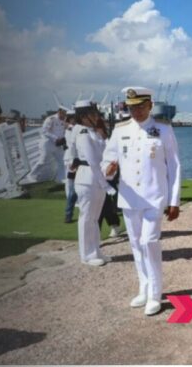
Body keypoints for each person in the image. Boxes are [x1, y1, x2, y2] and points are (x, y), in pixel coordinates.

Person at [102, 86, 181, 316]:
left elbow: (174, 166)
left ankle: (155, 294)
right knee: (136, 244)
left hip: (155, 196)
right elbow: (107, 159)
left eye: (140, 107)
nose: (136, 112)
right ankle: (144, 287)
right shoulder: (120, 130)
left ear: (150, 106)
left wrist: (174, 200)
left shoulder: (163, 129)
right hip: (129, 198)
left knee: (149, 241)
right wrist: (108, 169)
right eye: (131, 108)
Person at [73, 100, 114, 267]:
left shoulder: (94, 132)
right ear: (84, 117)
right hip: (87, 180)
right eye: (92, 113)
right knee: (87, 218)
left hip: (97, 179)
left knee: (95, 218)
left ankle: (96, 251)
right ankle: (86, 255)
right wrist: (106, 184)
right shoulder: (83, 134)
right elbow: (93, 161)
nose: (96, 116)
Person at [28, 106, 67, 183]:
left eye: (65, 114)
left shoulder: (63, 120)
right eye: (64, 114)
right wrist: (56, 138)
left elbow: (62, 131)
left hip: (58, 145)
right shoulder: (51, 119)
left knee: (62, 161)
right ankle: (31, 175)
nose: (64, 116)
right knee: (43, 161)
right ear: (59, 112)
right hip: (47, 143)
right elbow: (44, 131)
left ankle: (61, 178)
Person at [63, 110, 78, 223]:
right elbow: (73, 145)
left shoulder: (73, 128)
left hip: (74, 160)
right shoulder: (71, 129)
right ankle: (68, 214)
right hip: (73, 161)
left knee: (73, 189)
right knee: (72, 189)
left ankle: (68, 214)